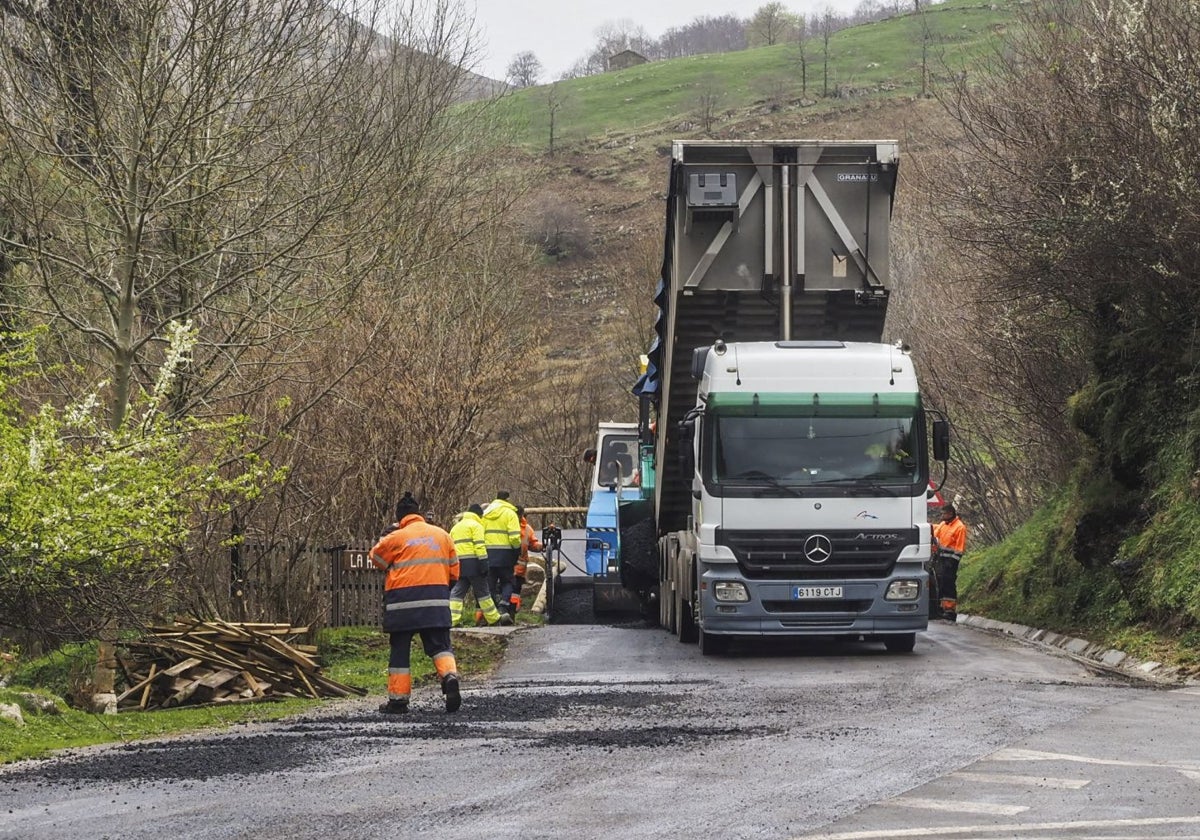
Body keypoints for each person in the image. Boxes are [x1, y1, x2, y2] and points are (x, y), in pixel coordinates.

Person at [368, 491, 462, 715]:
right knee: (440, 647)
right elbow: (455, 572)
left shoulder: (396, 537)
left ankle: (398, 702)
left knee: (400, 650)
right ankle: (449, 677)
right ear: (418, 513)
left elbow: (377, 559)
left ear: (400, 518)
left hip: (403, 605)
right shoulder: (442, 535)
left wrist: (386, 536)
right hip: (436, 603)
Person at [449, 504, 512, 628]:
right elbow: (479, 546)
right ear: (479, 515)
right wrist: (484, 564)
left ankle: (452, 620)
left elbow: (451, 547)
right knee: (483, 592)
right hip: (474, 564)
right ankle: (494, 619)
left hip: (459, 564)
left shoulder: (456, 527)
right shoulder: (476, 526)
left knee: (457, 593)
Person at [482, 490, 522, 621]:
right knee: (508, 581)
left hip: (488, 553)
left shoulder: (486, 513)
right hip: (505, 554)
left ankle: (491, 612)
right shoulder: (510, 513)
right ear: (507, 499)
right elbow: (515, 537)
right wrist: (516, 550)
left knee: (490, 583)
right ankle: (503, 606)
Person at [931, 503, 967, 621]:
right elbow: (935, 533)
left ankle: (950, 610)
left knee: (949, 584)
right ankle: (942, 608)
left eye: (944, 514)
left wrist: (952, 562)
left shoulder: (959, 527)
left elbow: (959, 548)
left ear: (950, 514)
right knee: (940, 583)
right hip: (941, 559)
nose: (942, 516)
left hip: (951, 561)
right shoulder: (943, 525)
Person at [511, 506, 544, 618]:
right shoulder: (506, 526)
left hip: (518, 569)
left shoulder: (527, 529)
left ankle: (512, 613)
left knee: (514, 591)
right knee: (506, 591)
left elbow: (532, 545)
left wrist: (543, 547)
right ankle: (508, 612)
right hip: (506, 567)